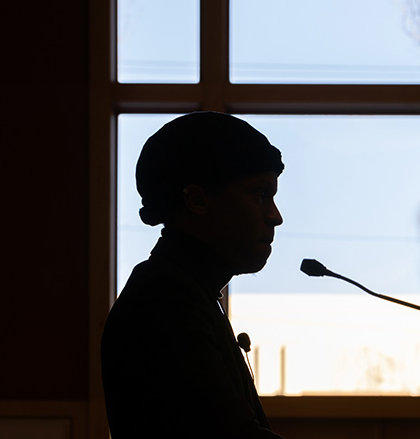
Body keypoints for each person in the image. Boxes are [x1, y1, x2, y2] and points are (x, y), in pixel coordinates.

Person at [101, 112, 286, 438]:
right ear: (198, 200)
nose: (275, 216)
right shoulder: (164, 302)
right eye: (259, 195)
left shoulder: (183, 290)